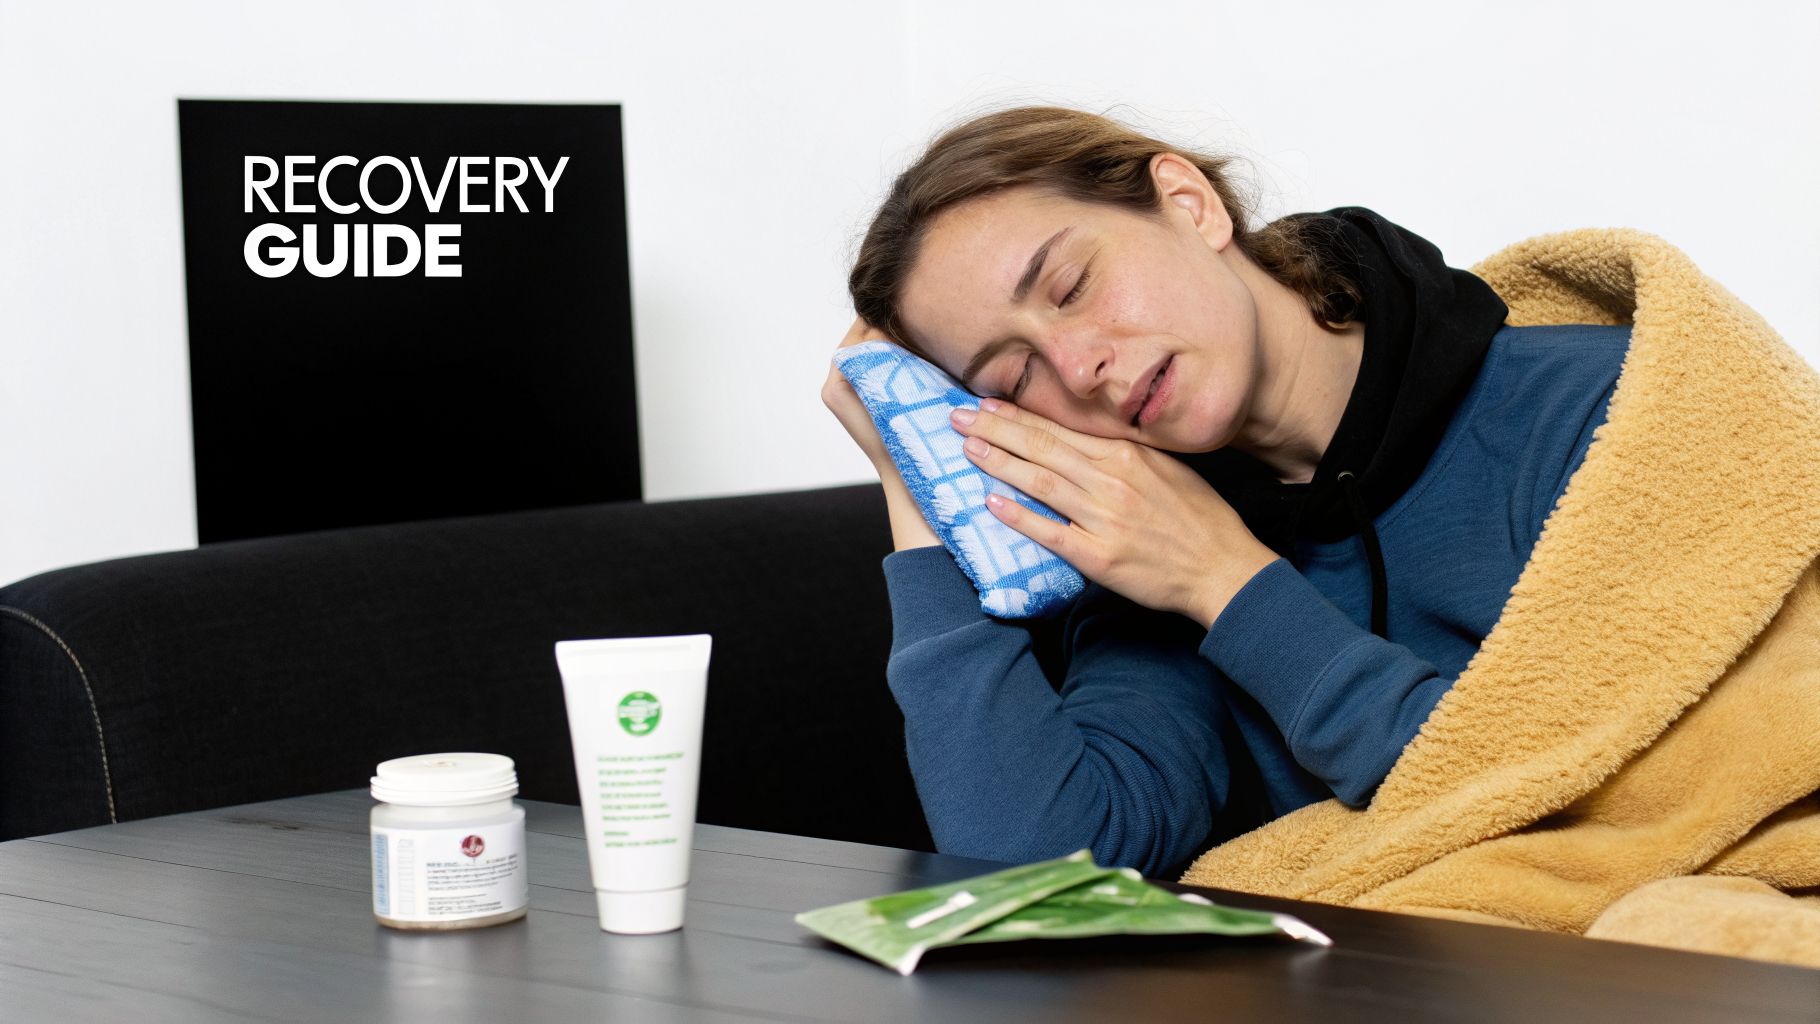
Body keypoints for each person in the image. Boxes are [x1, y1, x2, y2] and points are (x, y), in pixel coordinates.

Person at [820, 105, 1631, 878]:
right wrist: (916, 472)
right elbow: (1041, 865)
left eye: (1070, 287)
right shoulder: (1149, 542)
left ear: (1189, 203)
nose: (1077, 366)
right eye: (1015, 374)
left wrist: (1226, 581)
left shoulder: (1606, 406)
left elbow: (1609, 806)